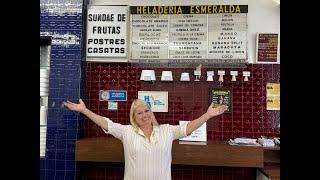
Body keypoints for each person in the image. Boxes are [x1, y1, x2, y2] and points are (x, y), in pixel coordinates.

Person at [64, 99, 228, 180]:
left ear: (151, 112)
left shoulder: (166, 131)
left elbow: (188, 128)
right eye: (140, 113)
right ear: (134, 117)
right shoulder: (126, 132)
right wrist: (84, 110)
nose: (145, 115)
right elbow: (106, 123)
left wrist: (208, 115)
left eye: (147, 111)